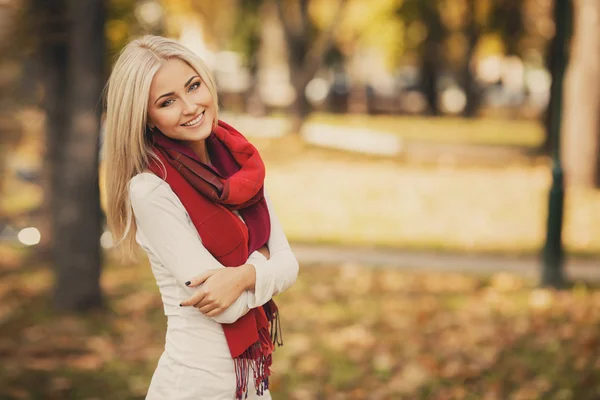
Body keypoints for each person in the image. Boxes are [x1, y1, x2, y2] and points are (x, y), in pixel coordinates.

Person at [103, 35, 299, 400]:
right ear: (145, 118)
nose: (191, 106)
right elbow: (227, 308)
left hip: (253, 383)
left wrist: (243, 275)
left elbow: (291, 265)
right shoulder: (150, 189)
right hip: (197, 384)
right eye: (167, 102)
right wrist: (266, 262)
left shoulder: (241, 165)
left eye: (193, 86)